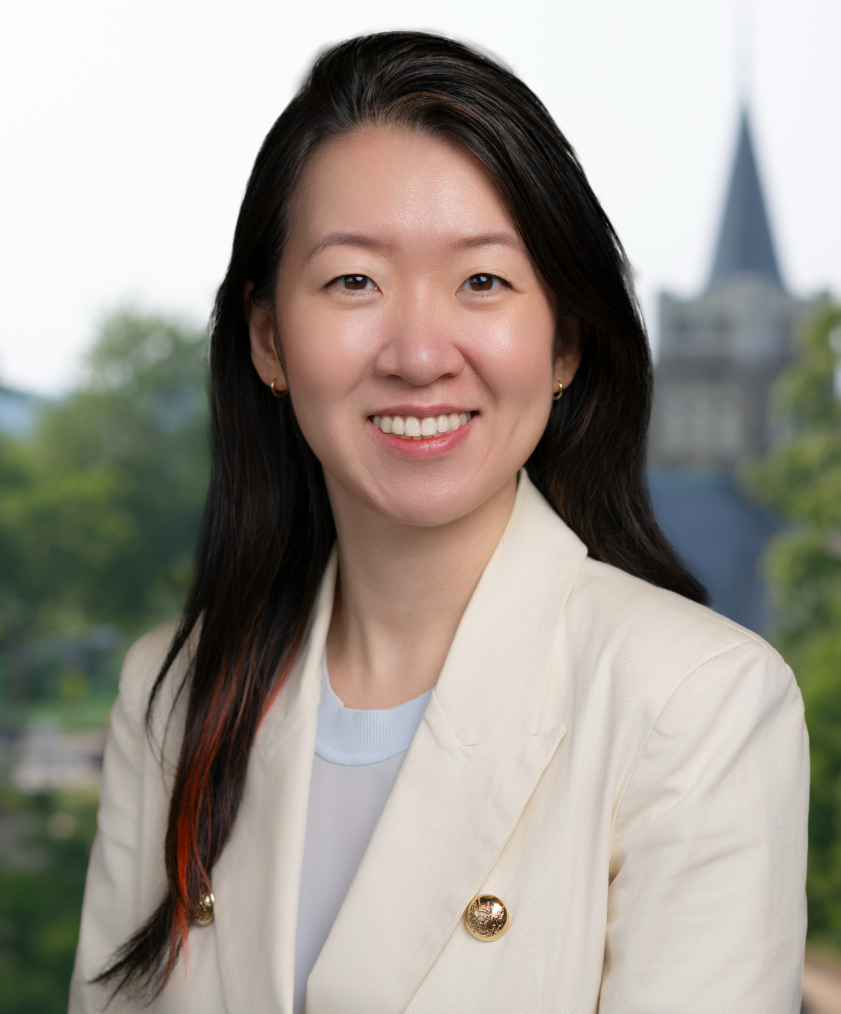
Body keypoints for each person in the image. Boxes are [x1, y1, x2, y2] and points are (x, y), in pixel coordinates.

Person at [69, 31, 808, 1014]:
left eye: (483, 282)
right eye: (353, 282)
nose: (419, 354)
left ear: (565, 345)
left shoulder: (698, 703)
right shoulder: (173, 694)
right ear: (267, 339)